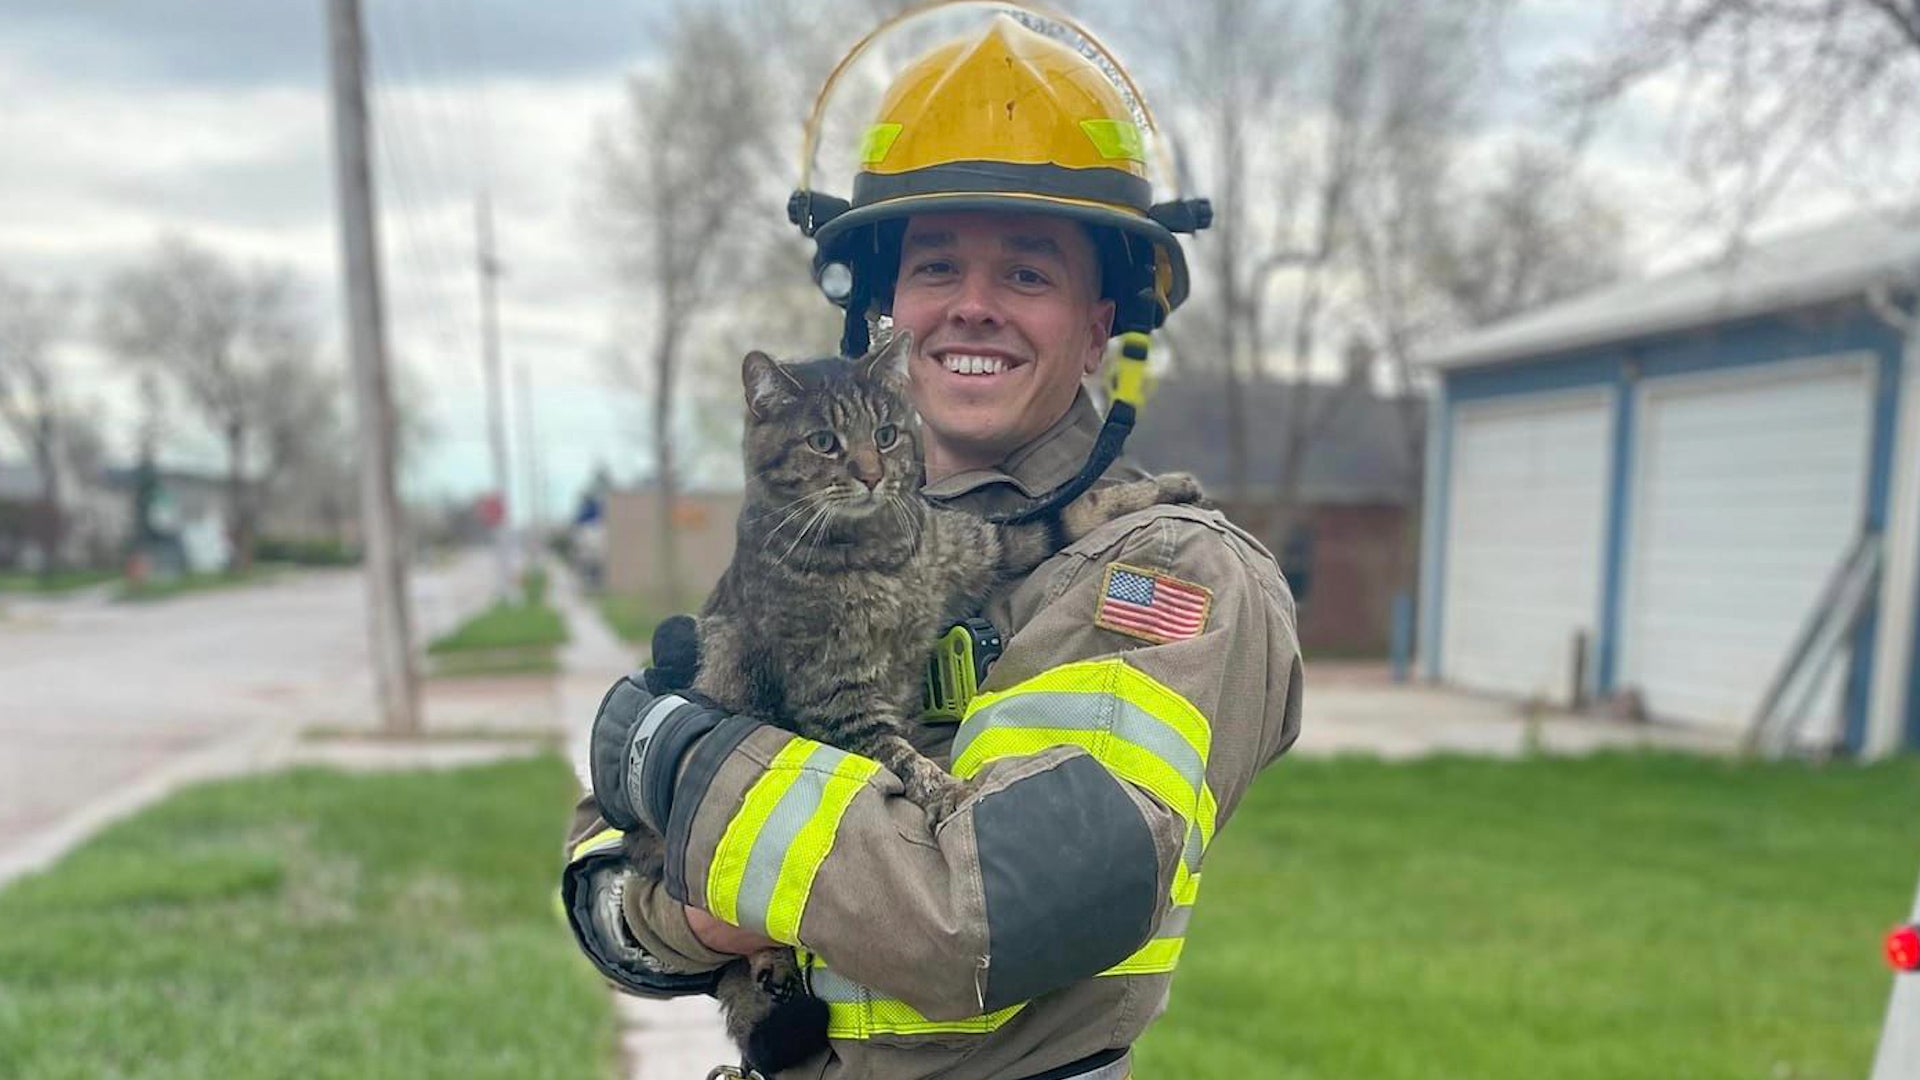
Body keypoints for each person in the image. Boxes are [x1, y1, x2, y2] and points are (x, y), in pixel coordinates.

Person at [562, 13, 1302, 1080]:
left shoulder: (1169, 573)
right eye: (937, 266)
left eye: (1029, 275)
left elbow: (989, 914)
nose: (973, 308)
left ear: (1102, 326)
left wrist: (691, 773)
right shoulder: (799, 532)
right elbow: (600, 882)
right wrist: (687, 910)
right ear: (881, 314)